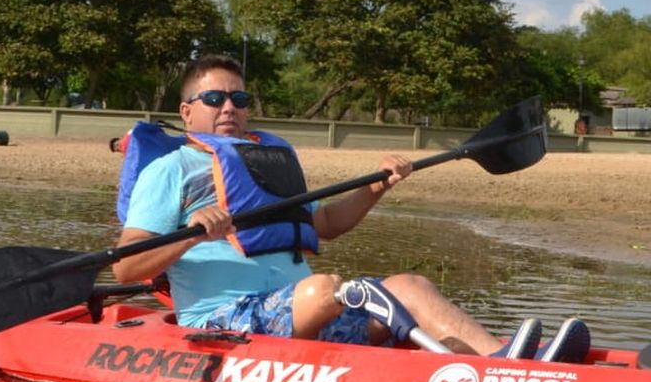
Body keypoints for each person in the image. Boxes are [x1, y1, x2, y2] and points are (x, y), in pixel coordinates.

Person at [113, 54, 588, 361]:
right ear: (186, 111)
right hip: (223, 321)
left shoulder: (271, 158)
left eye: (239, 98)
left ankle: (506, 363)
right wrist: (195, 231)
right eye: (214, 98)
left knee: (411, 286)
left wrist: (377, 188)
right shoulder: (171, 170)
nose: (229, 107)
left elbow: (326, 224)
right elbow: (126, 266)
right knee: (322, 290)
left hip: (302, 312)